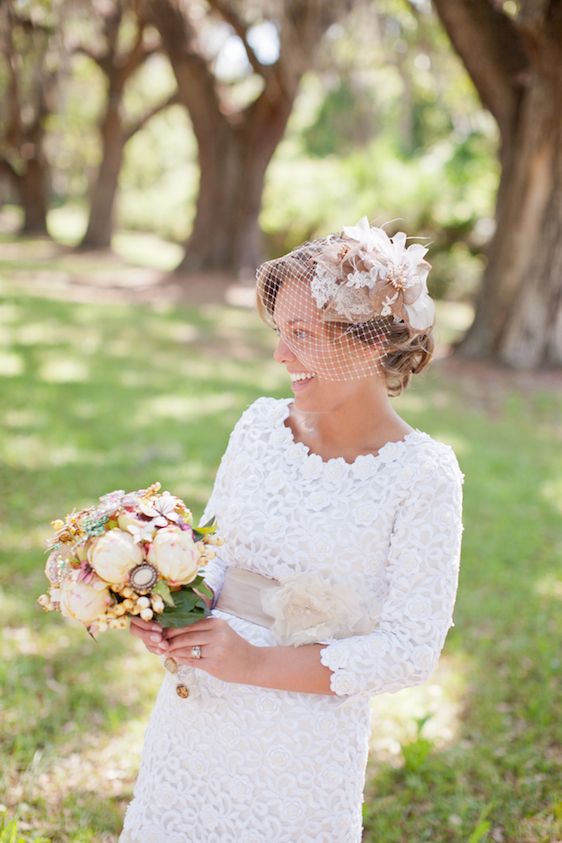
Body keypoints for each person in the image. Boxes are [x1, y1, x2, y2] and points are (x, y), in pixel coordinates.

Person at [119, 217, 464, 842]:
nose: (280, 355)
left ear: (365, 343)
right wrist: (170, 612)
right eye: (280, 332)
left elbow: (412, 651)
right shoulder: (256, 426)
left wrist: (253, 662)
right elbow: (215, 555)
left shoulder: (423, 476)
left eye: (302, 334)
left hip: (303, 736)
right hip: (197, 712)